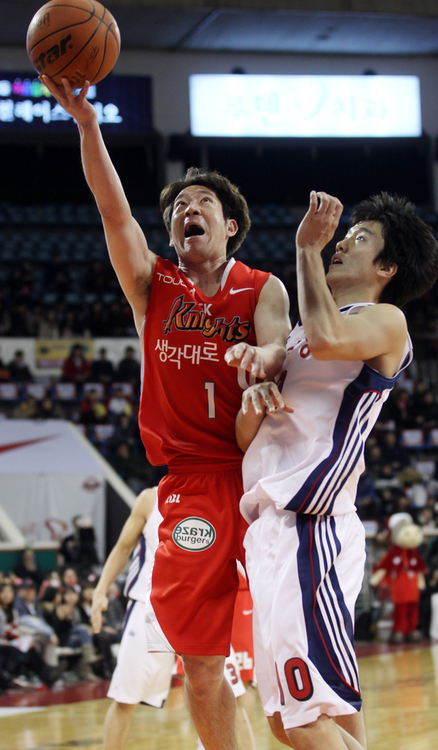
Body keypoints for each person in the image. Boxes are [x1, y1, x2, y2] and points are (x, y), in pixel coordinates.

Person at [41, 73, 290, 750]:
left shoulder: (260, 288)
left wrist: (265, 363)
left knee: (289, 657)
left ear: (229, 225)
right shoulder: (153, 286)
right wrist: (89, 125)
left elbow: (277, 346)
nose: (188, 208)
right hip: (193, 484)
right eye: (180, 203)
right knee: (203, 666)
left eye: (202, 200)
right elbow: (113, 211)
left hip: (267, 475)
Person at [236, 190, 438, 750]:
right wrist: (253, 391)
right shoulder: (297, 336)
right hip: (269, 525)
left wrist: (306, 249)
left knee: (300, 718)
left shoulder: (385, 321)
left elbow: (329, 339)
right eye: (344, 234)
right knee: (294, 715)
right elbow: (244, 437)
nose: (343, 241)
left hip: (313, 526)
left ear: (387, 268)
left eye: (361, 238)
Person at [92, 487, 255, 750]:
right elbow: (123, 547)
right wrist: (101, 589)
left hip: (200, 610)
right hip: (148, 606)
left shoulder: (217, 492)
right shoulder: (149, 499)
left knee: (229, 697)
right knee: (125, 699)